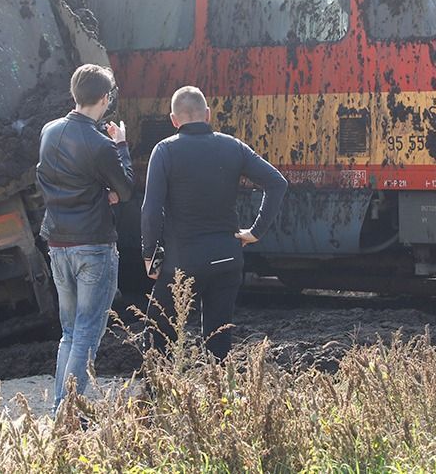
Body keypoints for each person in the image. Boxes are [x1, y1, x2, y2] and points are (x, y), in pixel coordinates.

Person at [141, 86, 287, 361]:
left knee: (157, 339)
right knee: (218, 344)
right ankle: (219, 399)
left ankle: (157, 400)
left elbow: (151, 209)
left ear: (173, 120)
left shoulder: (164, 151)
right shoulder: (233, 146)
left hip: (181, 263)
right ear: (207, 114)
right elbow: (277, 183)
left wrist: (150, 256)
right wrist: (256, 232)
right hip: (227, 259)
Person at [36, 64, 133, 414]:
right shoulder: (100, 144)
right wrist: (121, 146)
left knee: (70, 332)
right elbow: (125, 189)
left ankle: (61, 408)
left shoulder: (49, 131)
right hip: (93, 244)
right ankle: (69, 412)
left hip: (57, 244)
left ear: (74, 93)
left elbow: (50, 179)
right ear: (105, 98)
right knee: (88, 332)